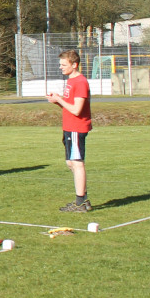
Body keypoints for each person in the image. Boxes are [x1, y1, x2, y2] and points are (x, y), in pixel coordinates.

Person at [47, 49, 92, 212]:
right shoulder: (71, 81)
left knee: (77, 163)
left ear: (74, 65)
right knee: (70, 163)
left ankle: (80, 202)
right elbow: (70, 105)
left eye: (64, 65)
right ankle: (83, 199)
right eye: (60, 64)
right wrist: (58, 101)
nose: (60, 67)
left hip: (76, 128)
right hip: (69, 127)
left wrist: (60, 99)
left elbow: (77, 110)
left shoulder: (80, 82)